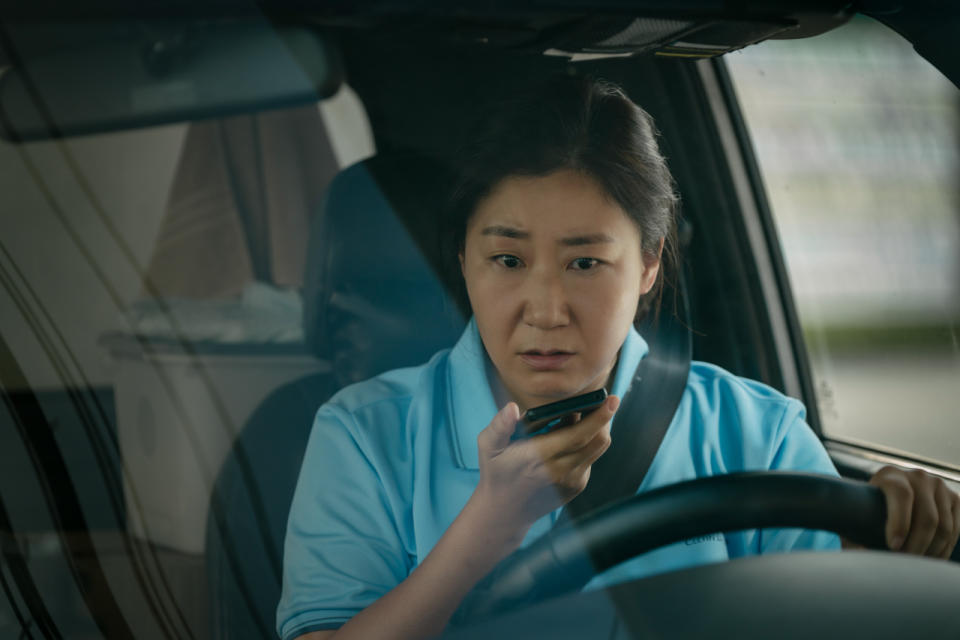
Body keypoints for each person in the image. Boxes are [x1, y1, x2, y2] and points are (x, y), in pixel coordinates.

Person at [276, 76, 960, 640]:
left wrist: (890, 551)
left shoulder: (756, 431)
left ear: (649, 265)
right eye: (507, 260)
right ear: (463, 259)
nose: (545, 309)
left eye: (586, 262)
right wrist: (489, 527)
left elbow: (825, 614)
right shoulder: (364, 435)